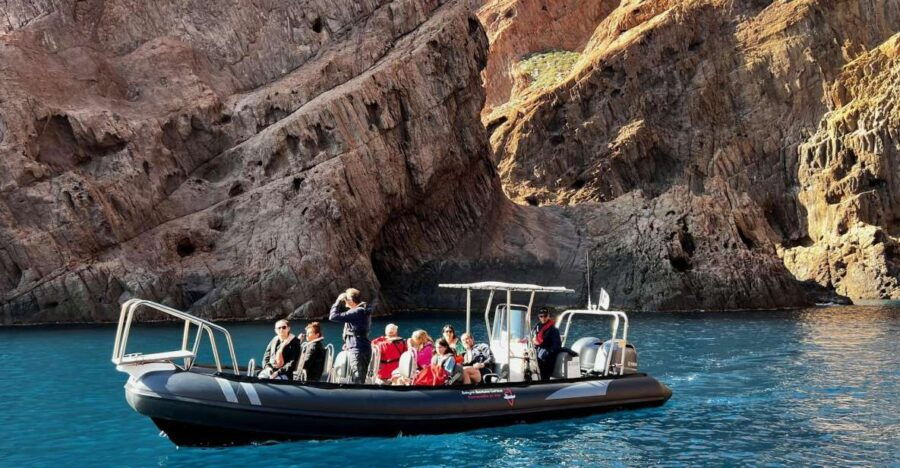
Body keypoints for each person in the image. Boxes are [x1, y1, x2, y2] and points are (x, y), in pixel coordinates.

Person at [329, 288, 374, 383]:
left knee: (358, 379)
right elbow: (356, 330)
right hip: (361, 347)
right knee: (358, 377)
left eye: (346, 299)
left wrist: (338, 301)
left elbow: (333, 316)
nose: (344, 301)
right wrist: (348, 343)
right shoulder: (362, 310)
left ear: (351, 301)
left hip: (357, 350)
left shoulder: (356, 312)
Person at [532, 308, 561, 381]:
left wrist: (548, 352)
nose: (543, 318)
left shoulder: (554, 330)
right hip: (537, 350)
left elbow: (557, 345)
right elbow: (532, 336)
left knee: (541, 360)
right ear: (539, 317)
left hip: (547, 356)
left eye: (545, 316)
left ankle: (543, 382)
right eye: (541, 316)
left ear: (548, 316)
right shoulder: (537, 326)